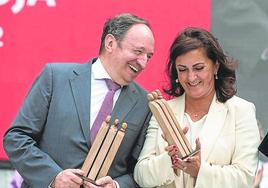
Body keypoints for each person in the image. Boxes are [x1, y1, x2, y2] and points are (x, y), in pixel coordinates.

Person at [3, 13, 155, 188]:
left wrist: (116, 185)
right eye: (138, 51)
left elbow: (138, 169)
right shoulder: (55, 77)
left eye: (148, 56)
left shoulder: (144, 103)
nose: (143, 63)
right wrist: (53, 177)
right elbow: (16, 137)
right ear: (110, 43)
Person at [134, 27, 259, 188]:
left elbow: (245, 178)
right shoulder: (164, 110)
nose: (191, 77)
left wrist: (200, 171)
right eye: (183, 70)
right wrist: (170, 159)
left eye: (199, 68)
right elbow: (141, 175)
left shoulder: (241, 111)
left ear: (215, 66)